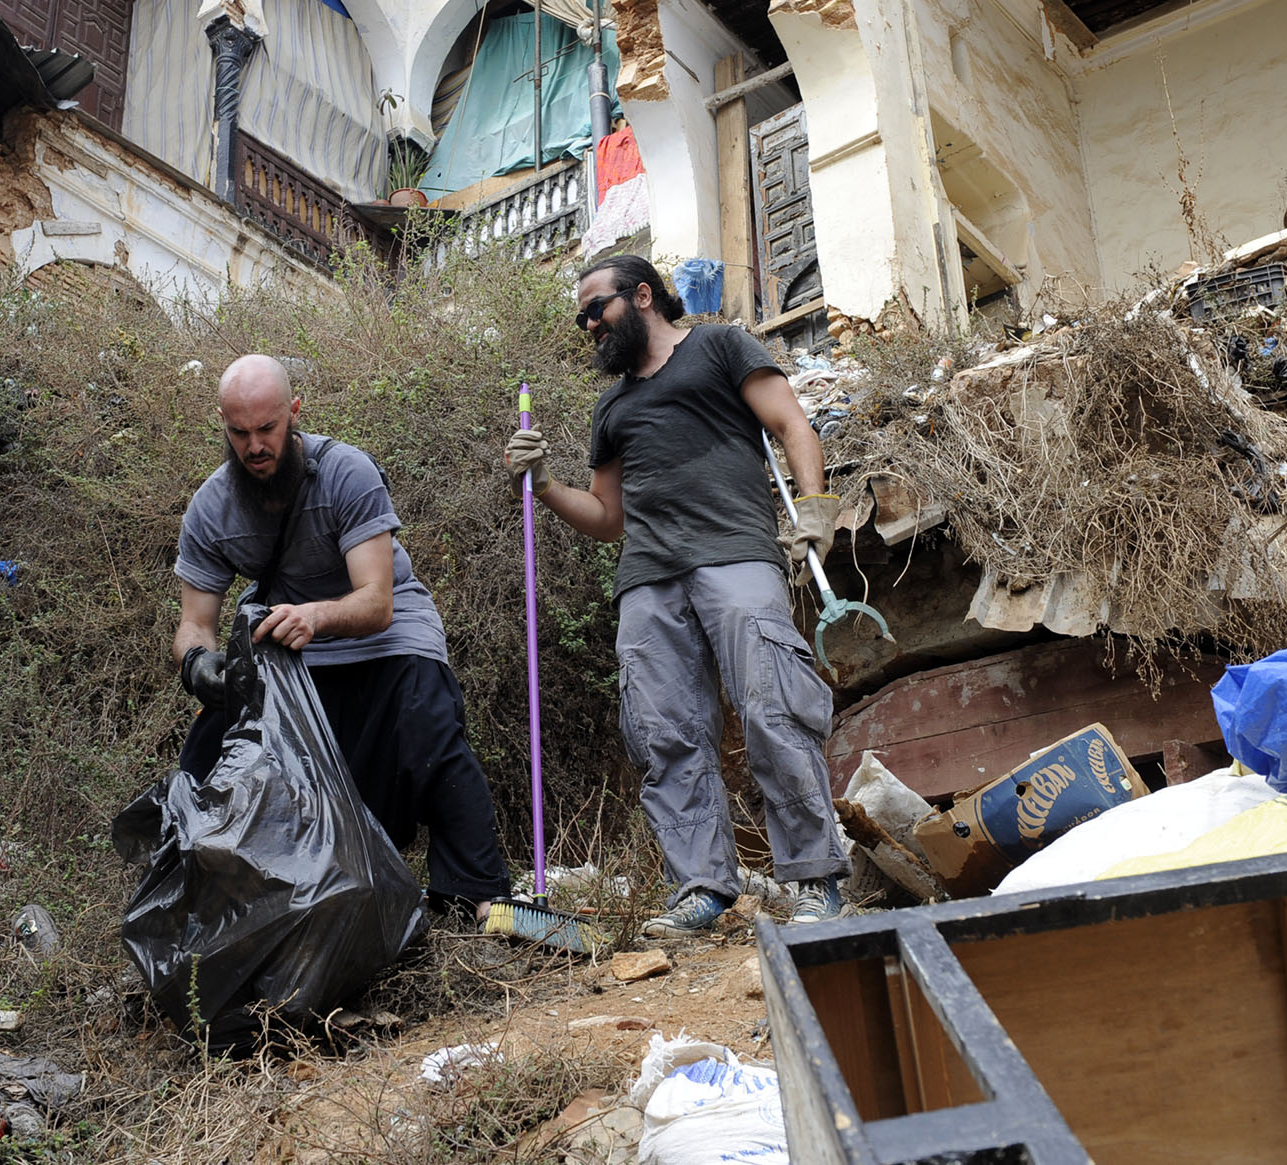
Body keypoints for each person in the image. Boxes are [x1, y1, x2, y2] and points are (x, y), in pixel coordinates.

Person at [503, 256, 849, 937]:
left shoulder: (719, 345)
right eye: (581, 318)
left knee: (772, 706)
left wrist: (816, 506)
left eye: (595, 309)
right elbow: (607, 517)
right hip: (647, 577)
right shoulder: (612, 406)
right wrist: (542, 481)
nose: (589, 326)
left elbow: (790, 424)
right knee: (663, 733)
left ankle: (814, 876)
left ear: (641, 296)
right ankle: (701, 886)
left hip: (735, 554)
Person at [173, 354, 510, 921]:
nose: (255, 446)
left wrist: (314, 617)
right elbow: (193, 626)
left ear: (294, 414)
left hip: (389, 633)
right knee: (208, 752)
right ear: (224, 428)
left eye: (267, 429)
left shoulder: (346, 473)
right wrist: (200, 668)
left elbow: (376, 602)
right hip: (293, 650)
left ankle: (480, 895)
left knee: (426, 726)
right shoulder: (211, 508)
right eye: (239, 433)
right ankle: (228, 911)